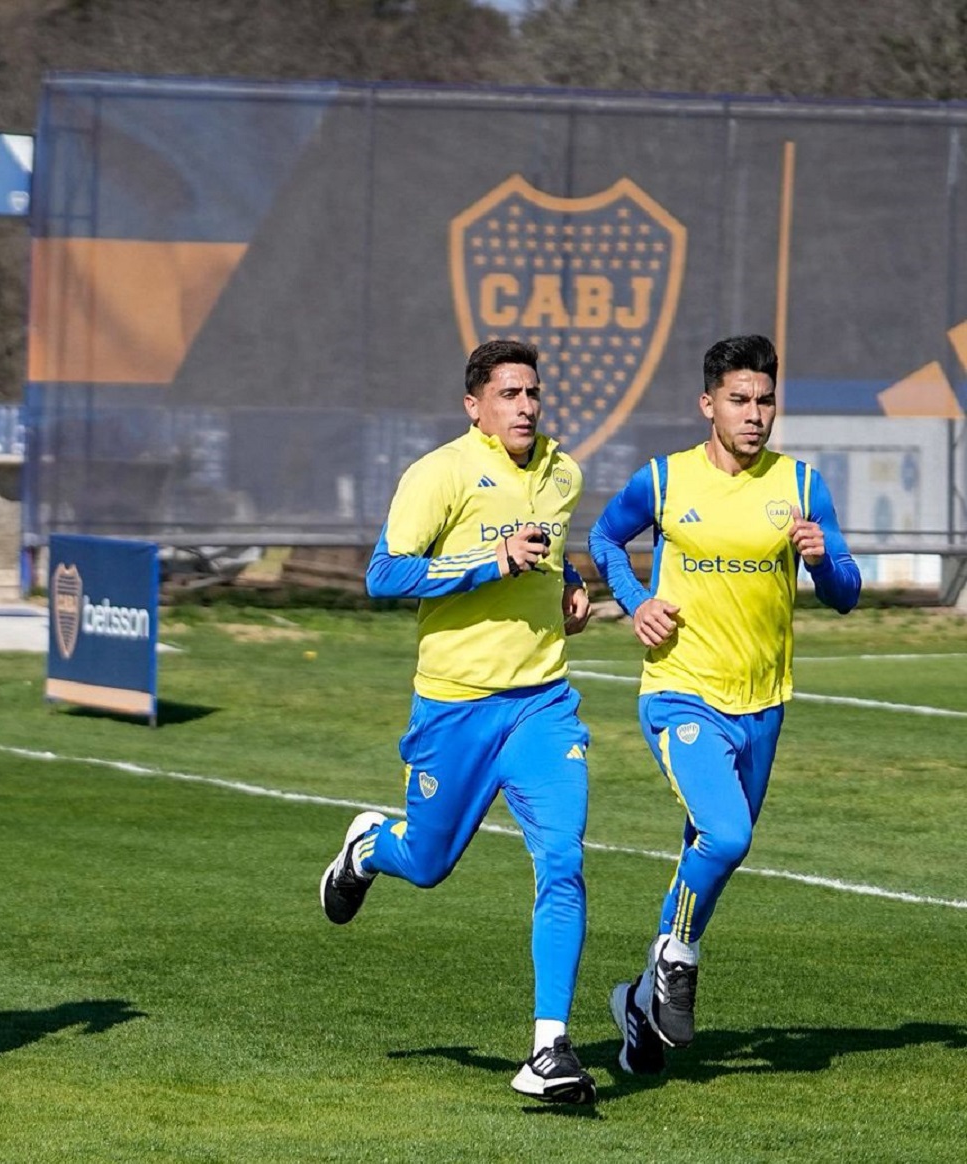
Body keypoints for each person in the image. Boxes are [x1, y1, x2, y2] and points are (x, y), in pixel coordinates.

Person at [318, 338, 597, 1105]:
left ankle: (550, 1049)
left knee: (564, 860)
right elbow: (385, 573)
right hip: (455, 708)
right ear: (474, 405)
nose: (527, 406)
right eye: (510, 394)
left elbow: (550, 550)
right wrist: (488, 560)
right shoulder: (438, 473)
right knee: (430, 862)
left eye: (533, 393)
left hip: (542, 704)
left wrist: (569, 583)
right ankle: (369, 850)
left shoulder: (562, 472)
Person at [588, 334, 859, 1076]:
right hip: (680, 692)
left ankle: (640, 1007)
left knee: (707, 852)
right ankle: (674, 956)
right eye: (739, 400)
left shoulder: (802, 487)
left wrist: (823, 559)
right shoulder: (663, 480)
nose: (754, 414)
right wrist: (636, 601)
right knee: (727, 834)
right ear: (708, 404)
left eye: (765, 400)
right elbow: (605, 535)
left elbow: (846, 593)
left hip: (763, 705)